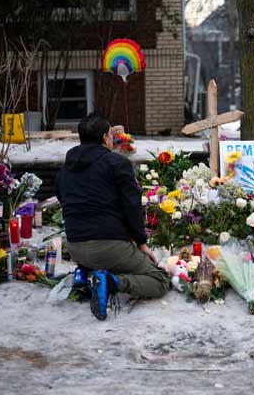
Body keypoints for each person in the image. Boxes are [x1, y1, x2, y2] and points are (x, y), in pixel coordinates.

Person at [55, 112, 169, 320]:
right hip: (109, 246)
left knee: (99, 256)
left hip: (75, 247)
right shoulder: (117, 163)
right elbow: (132, 205)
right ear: (105, 138)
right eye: (109, 134)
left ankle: (84, 275)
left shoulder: (65, 169)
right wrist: (142, 243)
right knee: (159, 280)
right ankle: (111, 282)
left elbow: (65, 201)